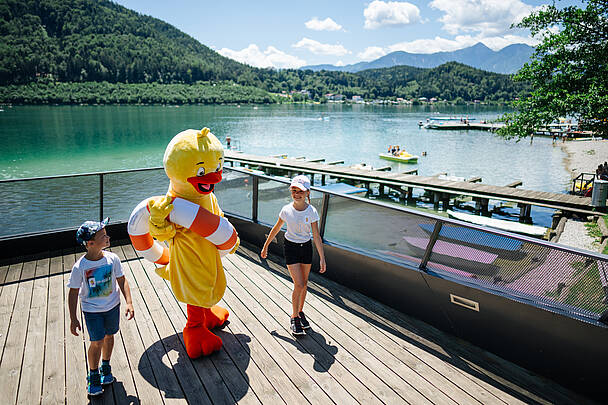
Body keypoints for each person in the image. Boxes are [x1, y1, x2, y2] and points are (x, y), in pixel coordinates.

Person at [67, 218, 134, 396]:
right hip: (92, 311)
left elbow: (122, 280)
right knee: (96, 341)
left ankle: (106, 365)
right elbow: (73, 292)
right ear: (90, 243)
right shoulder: (80, 267)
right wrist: (73, 318)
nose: (107, 237)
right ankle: (93, 374)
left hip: (112, 306)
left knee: (110, 335)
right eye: (103, 236)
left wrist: (129, 302)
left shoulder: (113, 259)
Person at [260, 175, 326, 336]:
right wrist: (265, 246)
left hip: (306, 249)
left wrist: (322, 258)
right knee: (299, 284)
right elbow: (276, 229)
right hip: (290, 247)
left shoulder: (312, 211)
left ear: (308, 193)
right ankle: (294, 317)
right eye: (294, 191)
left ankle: (300, 311)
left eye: (300, 191)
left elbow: (316, 236)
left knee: (304, 284)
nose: (297, 194)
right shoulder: (286, 210)